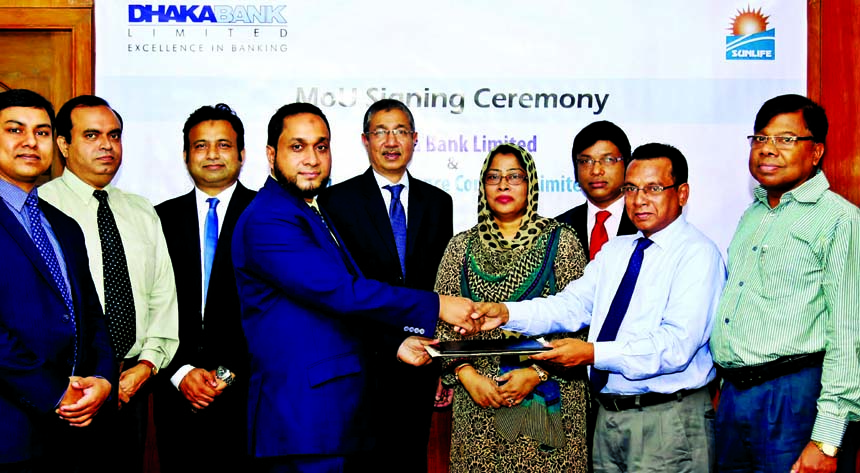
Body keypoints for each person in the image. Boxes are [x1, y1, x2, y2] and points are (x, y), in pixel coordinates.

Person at [232, 102, 478, 473]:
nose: (312, 159)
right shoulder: (269, 218)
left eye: (321, 146)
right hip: (304, 420)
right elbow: (340, 291)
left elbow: (329, 310)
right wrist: (436, 305)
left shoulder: (308, 209)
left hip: (331, 419)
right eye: (297, 147)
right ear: (271, 155)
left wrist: (396, 342)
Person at [475, 143, 726, 472]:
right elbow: (571, 305)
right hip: (609, 417)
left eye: (653, 188)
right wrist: (507, 313)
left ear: (681, 193)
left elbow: (675, 346)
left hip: (667, 420)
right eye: (631, 189)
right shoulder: (617, 250)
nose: (639, 200)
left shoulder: (698, 255)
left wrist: (592, 353)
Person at [711, 94, 860, 473]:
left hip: (794, 399)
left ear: (816, 152)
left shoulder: (840, 220)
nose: (768, 150)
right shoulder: (754, 215)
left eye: (786, 139)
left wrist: (827, 440)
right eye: (760, 139)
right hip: (735, 396)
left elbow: (849, 334)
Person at [38, 95, 179, 473]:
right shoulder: (37, 208)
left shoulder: (141, 210)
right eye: (92, 135)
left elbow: (162, 297)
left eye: (114, 135)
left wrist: (146, 366)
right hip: (65, 389)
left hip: (133, 384)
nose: (106, 145)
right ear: (63, 145)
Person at [434, 143, 590, 472]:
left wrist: (537, 373)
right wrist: (467, 376)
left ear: (530, 184)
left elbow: (583, 320)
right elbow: (441, 322)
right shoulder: (460, 247)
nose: (503, 185)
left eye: (514, 176)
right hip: (479, 402)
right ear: (483, 186)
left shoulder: (561, 240)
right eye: (494, 177)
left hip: (550, 400)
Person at [318, 99, 453, 472]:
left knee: (411, 461)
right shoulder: (335, 201)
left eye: (400, 131)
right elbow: (338, 288)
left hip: (421, 364)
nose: (391, 141)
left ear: (414, 139)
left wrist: (443, 364)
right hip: (361, 362)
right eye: (380, 131)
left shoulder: (439, 203)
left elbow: (439, 285)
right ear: (365, 140)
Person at [0, 89, 115, 472]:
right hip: (9, 433)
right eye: (15, 130)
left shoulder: (63, 225)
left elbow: (91, 317)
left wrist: (101, 378)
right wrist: (54, 391)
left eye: (43, 132)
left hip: (74, 435)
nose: (31, 142)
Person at [153, 103, 255, 472]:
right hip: (176, 393)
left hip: (248, 395)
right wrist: (180, 372)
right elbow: (149, 305)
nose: (212, 154)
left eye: (224, 145)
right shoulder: (159, 218)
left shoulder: (268, 216)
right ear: (185, 155)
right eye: (201, 145)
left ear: (242, 155)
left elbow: (276, 313)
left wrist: (225, 375)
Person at [556, 121, 637, 261]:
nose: (596, 171)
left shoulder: (645, 222)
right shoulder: (558, 229)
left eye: (608, 160)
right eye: (585, 161)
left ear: (628, 164)